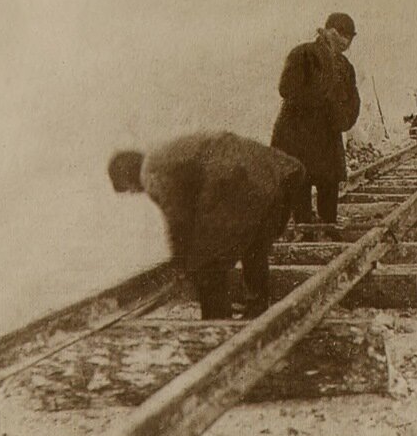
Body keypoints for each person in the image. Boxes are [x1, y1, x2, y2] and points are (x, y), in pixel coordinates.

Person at [107, 132, 305, 319]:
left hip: (236, 178)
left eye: (129, 189)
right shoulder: (166, 156)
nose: (135, 192)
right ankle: (257, 309)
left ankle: (216, 321)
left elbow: (178, 219)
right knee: (253, 245)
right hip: (273, 174)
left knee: (207, 263)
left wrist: (182, 262)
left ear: (128, 178)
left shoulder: (150, 171)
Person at [271, 13, 360, 234]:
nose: (346, 42)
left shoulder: (345, 66)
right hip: (299, 134)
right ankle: (305, 234)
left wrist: (343, 120)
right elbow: (286, 88)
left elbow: (353, 99)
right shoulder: (303, 53)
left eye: (350, 38)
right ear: (330, 31)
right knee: (301, 185)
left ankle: (327, 232)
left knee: (328, 186)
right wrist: (321, 100)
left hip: (327, 136)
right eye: (343, 36)